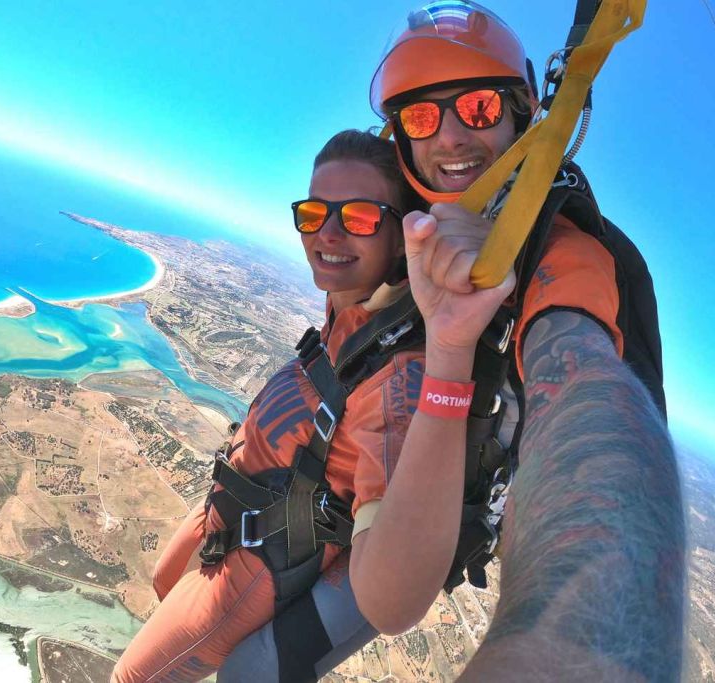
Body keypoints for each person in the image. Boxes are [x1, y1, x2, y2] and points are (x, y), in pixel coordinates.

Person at [220, 1, 684, 679]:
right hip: (334, 477)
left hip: (408, 523)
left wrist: (583, 642)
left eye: (478, 108)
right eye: (420, 118)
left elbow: (583, 382)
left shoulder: (559, 250)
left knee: (251, 671)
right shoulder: (403, 221)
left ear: (522, 114)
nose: (449, 138)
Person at [111, 129, 469, 682]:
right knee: (163, 584)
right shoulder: (354, 313)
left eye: (359, 217)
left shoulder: (397, 377)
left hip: (262, 559)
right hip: (230, 511)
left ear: (403, 238)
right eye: (314, 213)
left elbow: (389, 546)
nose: (328, 233)